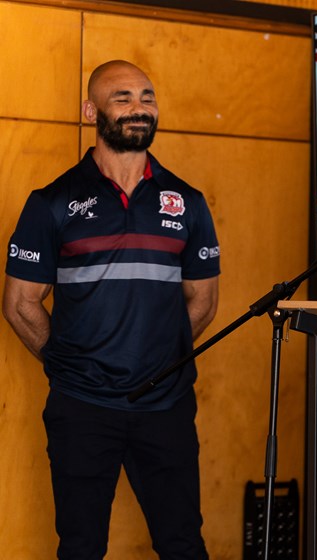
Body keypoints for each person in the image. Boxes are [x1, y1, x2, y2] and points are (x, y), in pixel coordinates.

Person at [2, 60, 220, 559]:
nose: (138, 107)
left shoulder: (186, 202)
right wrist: (68, 367)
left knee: (183, 544)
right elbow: (19, 303)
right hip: (82, 409)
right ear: (90, 111)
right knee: (80, 548)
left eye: (147, 96)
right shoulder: (51, 202)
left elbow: (203, 301)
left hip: (165, 408)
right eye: (122, 98)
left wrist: (162, 360)